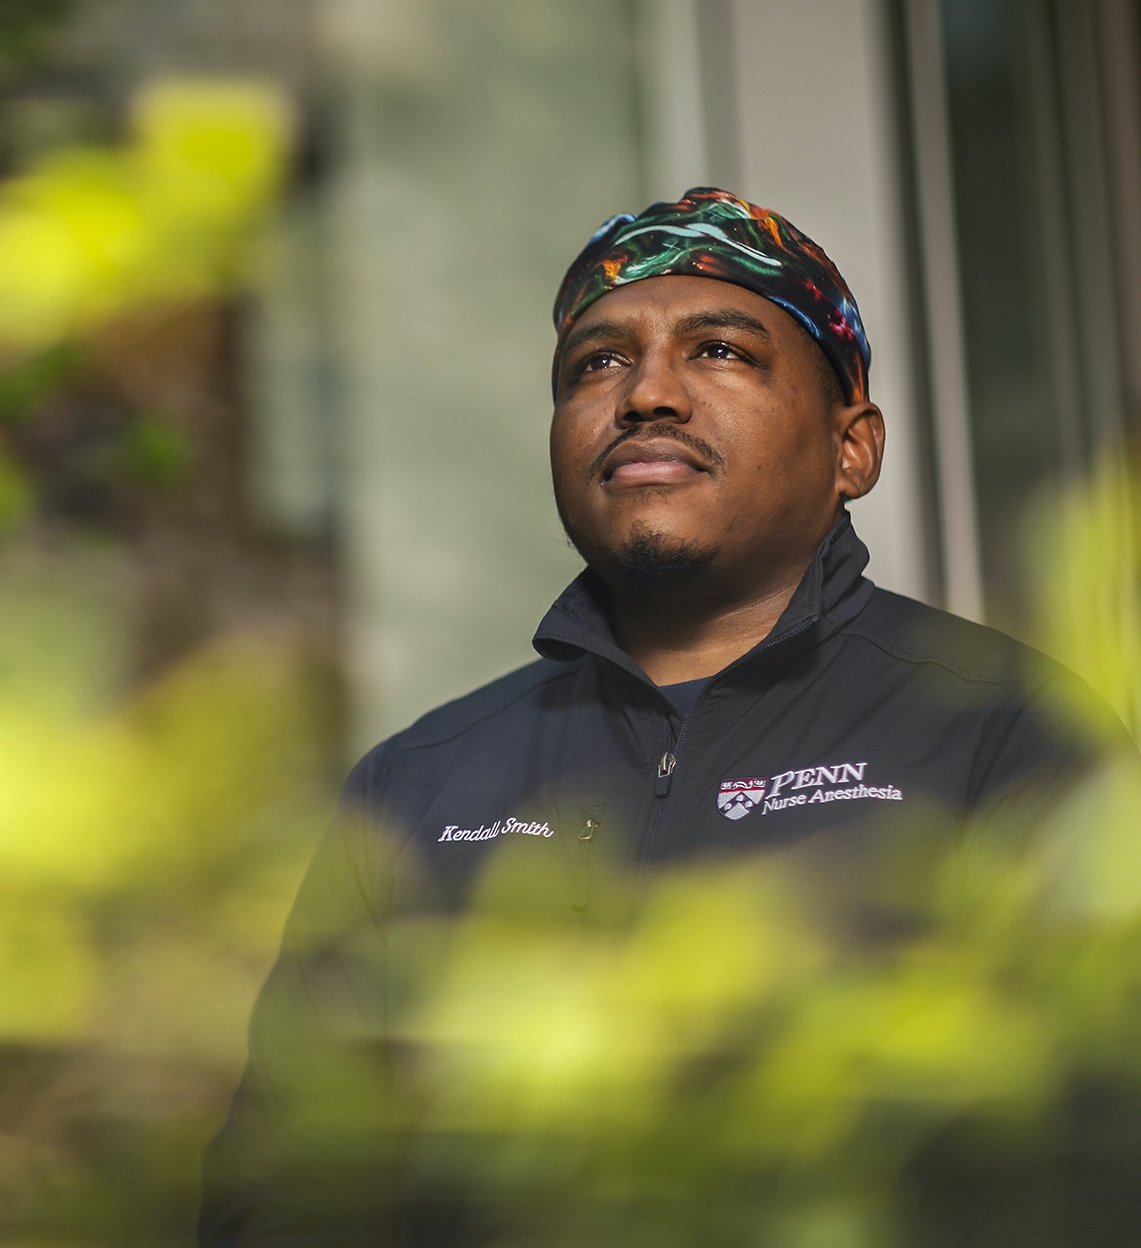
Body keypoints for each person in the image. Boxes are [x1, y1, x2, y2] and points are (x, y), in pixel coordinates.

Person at [198, 188, 1134, 1246]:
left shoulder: (996, 733)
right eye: (594, 364)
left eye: (720, 351)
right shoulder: (417, 783)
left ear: (850, 448)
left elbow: (1095, 1168)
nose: (644, 393)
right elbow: (281, 1196)